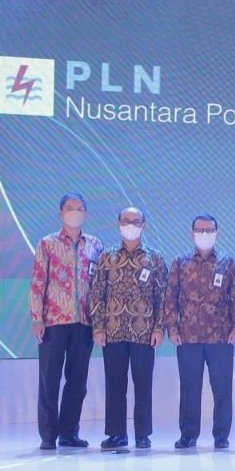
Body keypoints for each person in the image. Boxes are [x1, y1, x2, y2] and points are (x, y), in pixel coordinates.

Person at [30, 193, 104, 450]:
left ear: (86, 213)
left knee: (77, 382)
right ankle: (48, 435)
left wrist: (99, 322)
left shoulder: (95, 245)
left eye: (79, 208)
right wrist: (37, 318)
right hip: (53, 322)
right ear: (60, 212)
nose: (75, 212)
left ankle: (69, 433)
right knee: (49, 379)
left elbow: (100, 286)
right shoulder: (47, 243)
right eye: (70, 208)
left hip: (84, 321)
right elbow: (38, 282)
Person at [90, 207, 167, 450]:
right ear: (118, 224)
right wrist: (98, 327)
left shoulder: (154, 258)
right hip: (113, 331)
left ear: (143, 225)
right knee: (115, 384)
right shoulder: (107, 257)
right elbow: (97, 293)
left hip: (144, 332)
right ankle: (117, 434)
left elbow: (162, 297)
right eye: (126, 220)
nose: (130, 224)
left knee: (143, 384)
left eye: (135, 221)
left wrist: (159, 328)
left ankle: (142, 434)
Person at [163, 215, 235, 449]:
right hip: (188, 336)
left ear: (217, 232)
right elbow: (170, 297)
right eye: (200, 230)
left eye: (209, 230)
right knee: (190, 388)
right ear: (192, 233)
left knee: (222, 388)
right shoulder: (180, 262)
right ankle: (188, 435)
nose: (204, 234)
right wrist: (172, 327)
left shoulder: (228, 263)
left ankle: (221, 436)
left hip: (221, 337)